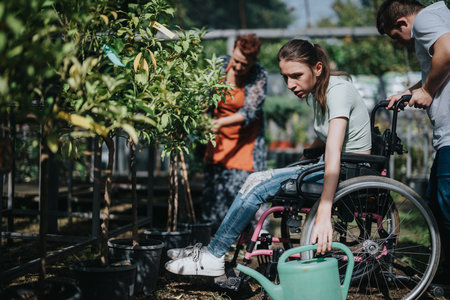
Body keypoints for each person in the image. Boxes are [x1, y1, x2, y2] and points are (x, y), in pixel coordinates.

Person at [165, 39, 372, 276]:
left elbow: (334, 149)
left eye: (296, 75)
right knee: (256, 179)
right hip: (330, 163)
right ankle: (213, 251)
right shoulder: (319, 91)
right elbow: (324, 138)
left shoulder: (338, 91)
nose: (290, 84)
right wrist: (299, 162)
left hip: (349, 169)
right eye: (285, 77)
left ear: (317, 68)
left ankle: (214, 255)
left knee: (259, 184)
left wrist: (324, 211)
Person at [376, 0, 450, 283]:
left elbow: (447, 51)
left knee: (445, 204)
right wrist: (408, 92)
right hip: (445, 136)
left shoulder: (424, 21)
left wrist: (428, 91)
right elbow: (437, 69)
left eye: (396, 36)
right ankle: (443, 271)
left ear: (403, 23)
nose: (401, 43)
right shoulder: (440, 16)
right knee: (435, 201)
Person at [200, 34, 268, 231]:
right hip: (219, 139)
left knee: (245, 190)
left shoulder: (258, 74)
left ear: (254, 61)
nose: (238, 67)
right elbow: (205, 95)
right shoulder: (220, 65)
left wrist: (219, 123)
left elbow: (250, 112)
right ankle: (216, 236)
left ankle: (254, 237)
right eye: (236, 61)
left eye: (244, 64)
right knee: (216, 189)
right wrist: (204, 116)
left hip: (244, 141)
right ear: (233, 51)